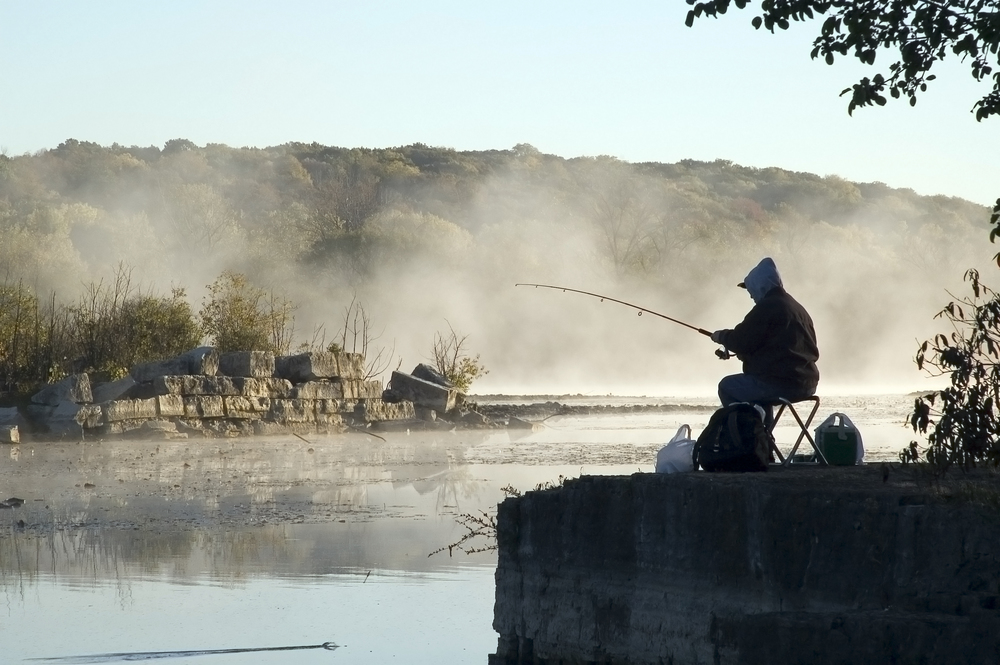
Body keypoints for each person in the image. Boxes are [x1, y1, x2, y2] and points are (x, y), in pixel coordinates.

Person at [710, 258, 819, 425]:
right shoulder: (797, 309)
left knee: (727, 386)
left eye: (751, 290)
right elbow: (776, 347)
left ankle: (750, 439)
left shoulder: (767, 308)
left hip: (781, 383)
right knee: (759, 391)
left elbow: (740, 340)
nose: (751, 295)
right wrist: (743, 354)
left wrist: (721, 337)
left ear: (760, 286)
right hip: (807, 383)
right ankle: (763, 440)